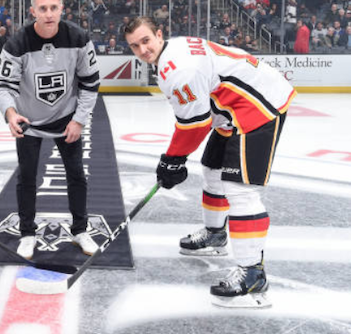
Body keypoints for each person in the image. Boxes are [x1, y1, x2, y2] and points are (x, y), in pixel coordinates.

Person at [124, 17, 296, 308]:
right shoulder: (173, 52)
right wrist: (174, 159)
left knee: (239, 189)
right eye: (134, 46)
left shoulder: (177, 68)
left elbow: (195, 124)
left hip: (258, 107)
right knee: (212, 169)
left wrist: (172, 160)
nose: (142, 49)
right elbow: (198, 116)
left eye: (145, 41)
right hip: (231, 108)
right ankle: (216, 235)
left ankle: (253, 273)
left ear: (159, 34)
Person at [0, 0, 100, 260]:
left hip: (67, 121)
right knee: (27, 177)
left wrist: (78, 120)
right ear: (33, 11)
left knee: (76, 175)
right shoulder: (17, 43)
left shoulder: (79, 38)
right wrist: (10, 112)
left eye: (54, 7)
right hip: (30, 122)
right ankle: (28, 233)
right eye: (43, 8)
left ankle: (80, 229)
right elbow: (3, 86)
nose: (49, 13)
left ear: (62, 8)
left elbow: (90, 84)